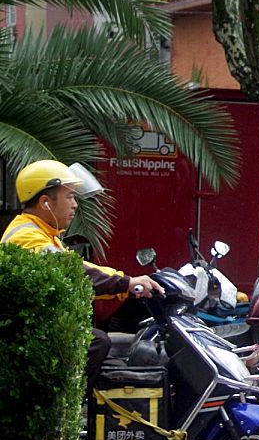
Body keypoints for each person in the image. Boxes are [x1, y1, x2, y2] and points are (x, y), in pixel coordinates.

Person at [2, 160, 163, 396]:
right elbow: (75, 272)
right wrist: (127, 283)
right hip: (25, 334)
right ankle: (67, 403)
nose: (75, 205)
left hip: (33, 327)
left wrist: (126, 284)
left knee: (104, 346)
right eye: (69, 197)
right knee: (96, 342)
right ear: (46, 203)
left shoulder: (43, 233)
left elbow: (81, 269)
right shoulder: (27, 236)